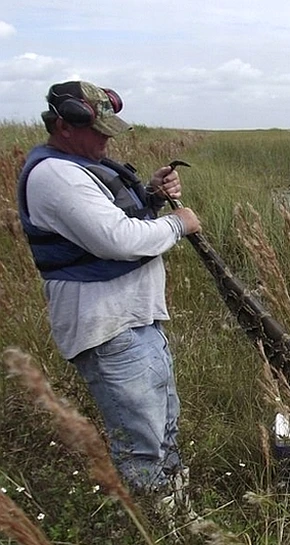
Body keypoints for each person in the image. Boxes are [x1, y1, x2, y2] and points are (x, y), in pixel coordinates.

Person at [16, 81, 201, 505]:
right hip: (108, 329)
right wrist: (178, 224)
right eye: (98, 131)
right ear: (64, 125)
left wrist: (151, 196)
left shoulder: (81, 165)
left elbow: (117, 218)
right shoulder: (55, 175)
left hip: (135, 320)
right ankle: (155, 520)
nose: (106, 140)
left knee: (164, 424)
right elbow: (116, 239)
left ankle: (177, 507)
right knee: (142, 440)